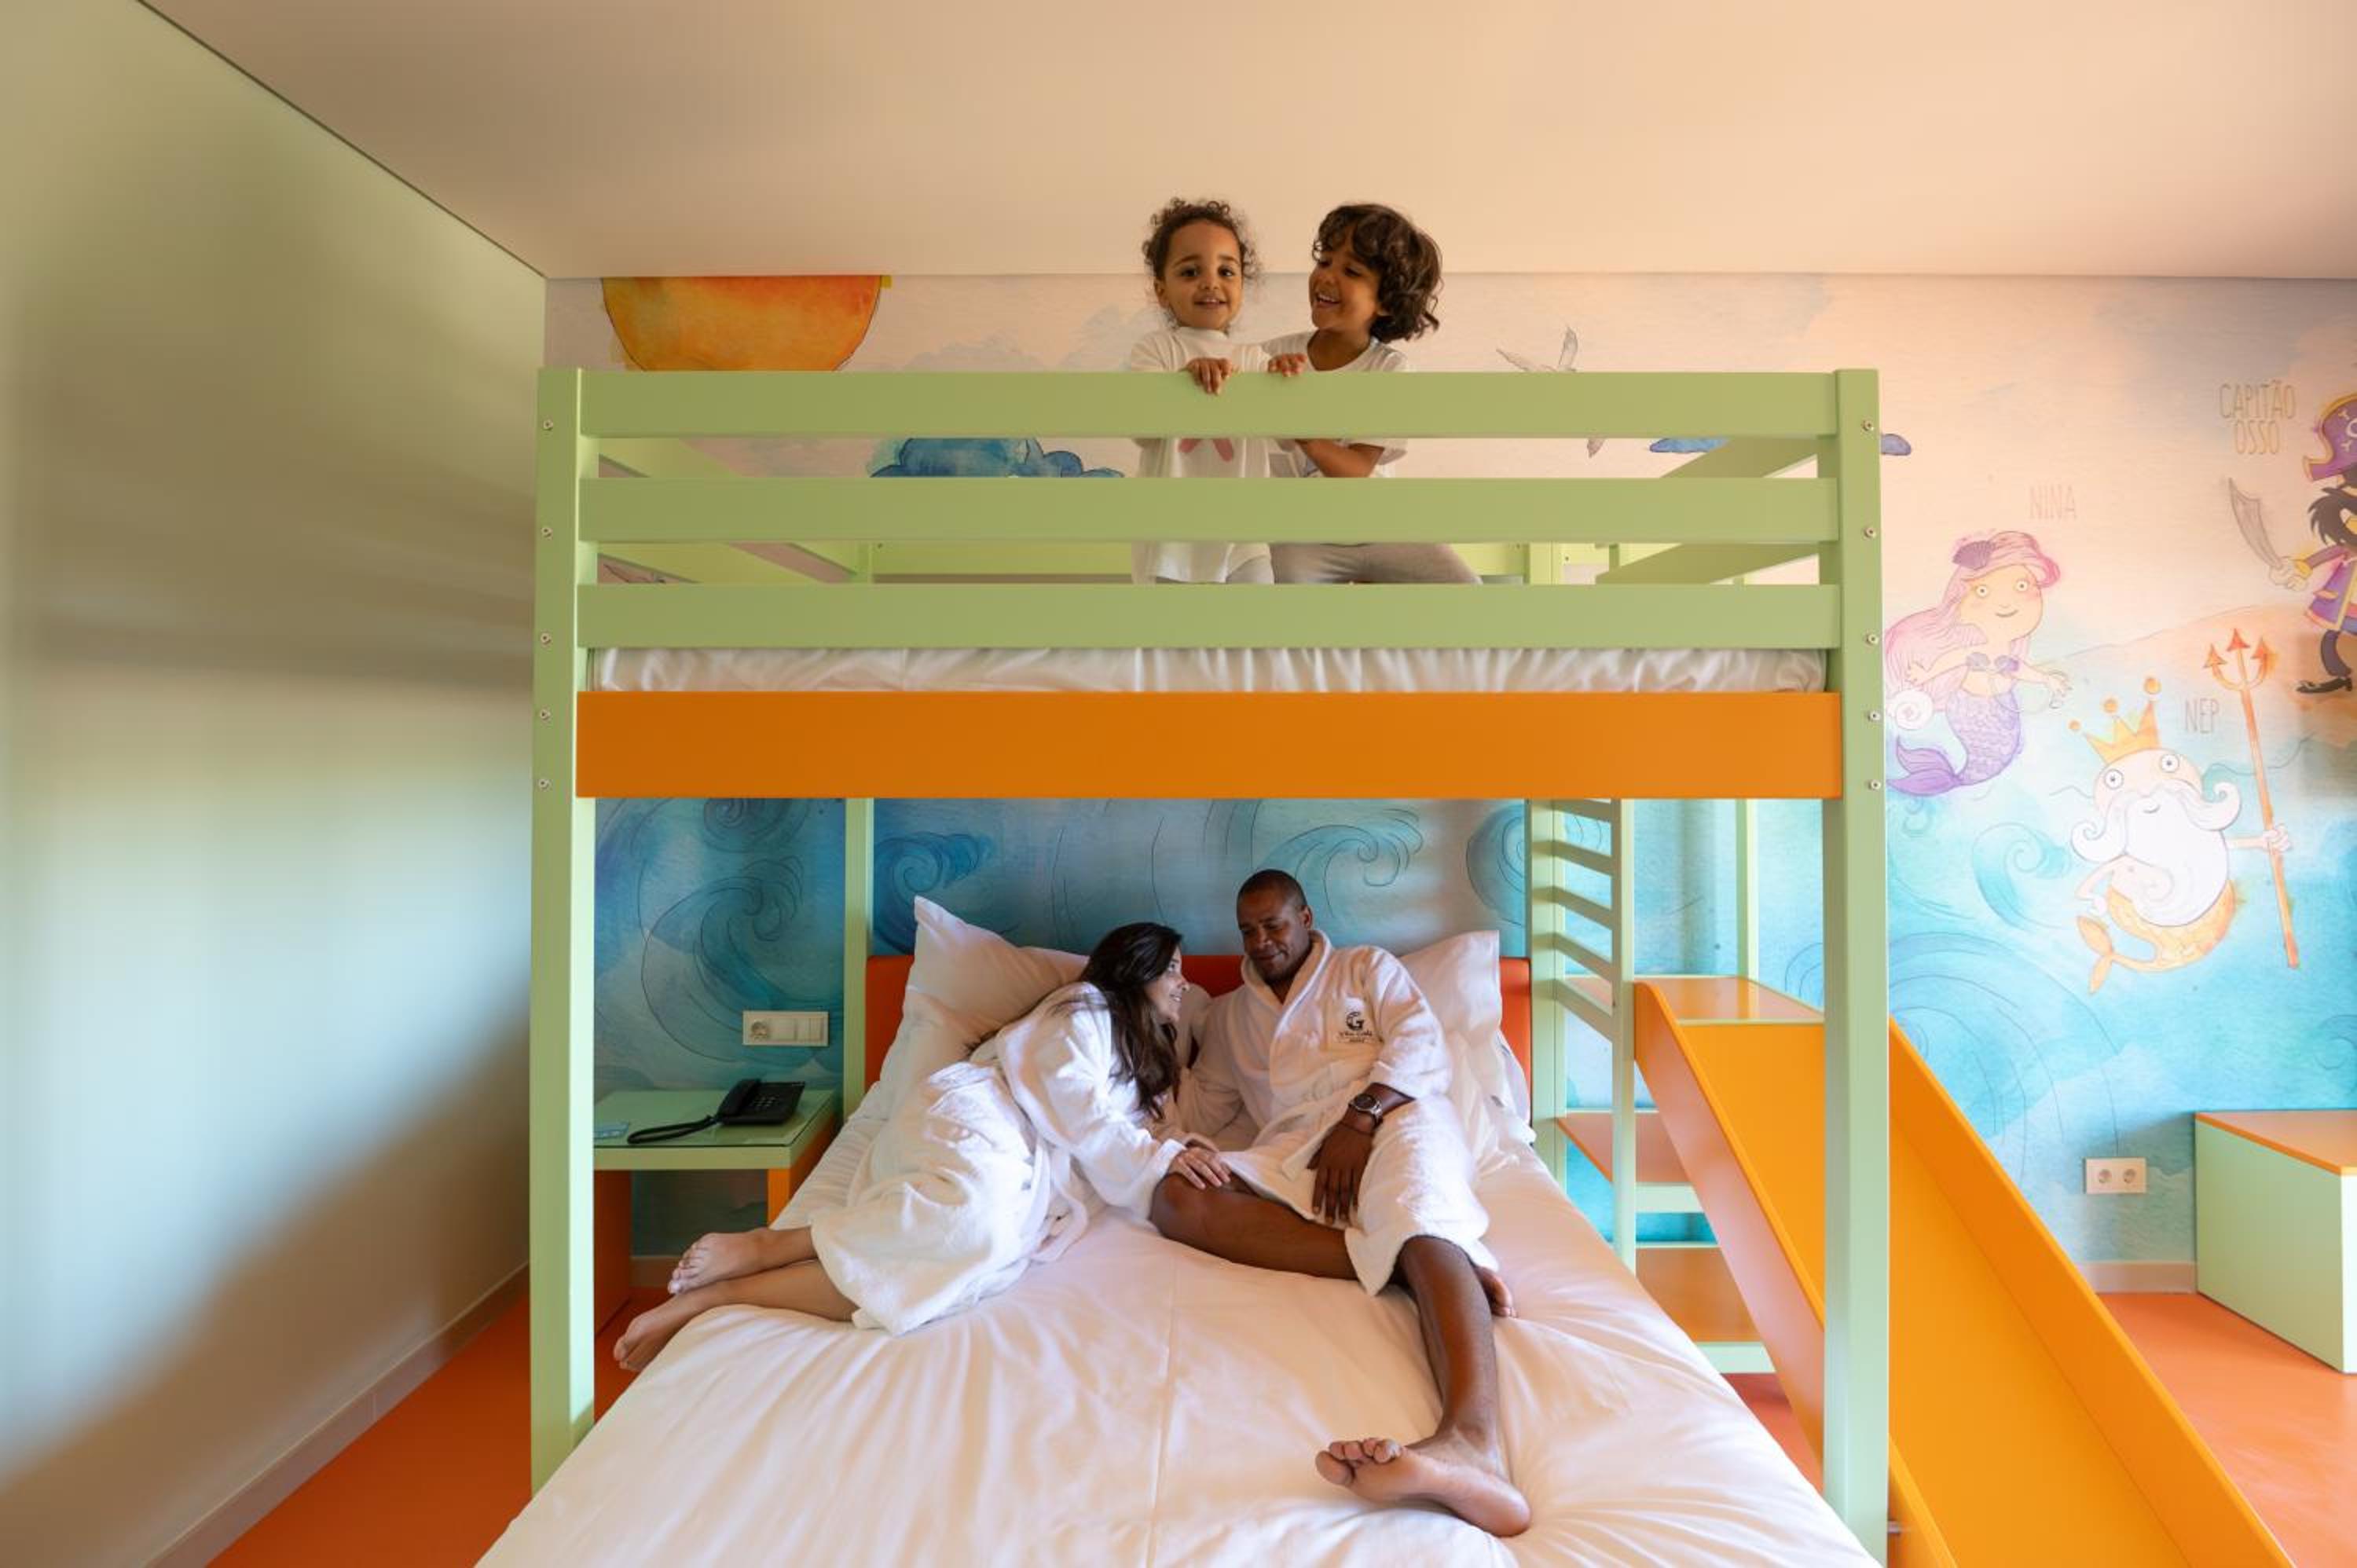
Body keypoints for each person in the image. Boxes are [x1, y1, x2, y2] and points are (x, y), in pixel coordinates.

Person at [614, 922, 1229, 1367]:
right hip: (978, 1117)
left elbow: (1157, 1128)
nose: (1185, 981)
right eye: (1172, 968)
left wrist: (1181, 1140)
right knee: (970, 1225)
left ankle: (723, 1297)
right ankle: (769, 1246)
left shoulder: (1148, 1063)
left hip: (1024, 1161)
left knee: (980, 1255)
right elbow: (1076, 1102)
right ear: (1135, 970)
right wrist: (1160, 1156)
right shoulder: (1083, 1010)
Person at [1154, 870, 1530, 1537]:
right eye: (1248, 931)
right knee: (1176, 1196)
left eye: (1274, 925)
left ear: (1305, 918)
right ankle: (1417, 1267)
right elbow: (1205, 1108)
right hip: (1300, 1148)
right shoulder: (1235, 1017)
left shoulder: (1365, 969)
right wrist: (1149, 1061)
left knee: (1417, 1212)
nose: (1262, 942)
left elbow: (1420, 1043)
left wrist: (1362, 1118)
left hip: (1397, 1117)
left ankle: (1473, 1443)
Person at [1260, 203, 1478, 585]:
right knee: (1278, 594)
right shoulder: (1274, 356)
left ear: (1386, 302)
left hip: (1380, 528)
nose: (1327, 276)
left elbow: (1357, 469)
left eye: (1351, 271)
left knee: (1465, 588)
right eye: (1324, 261)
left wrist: (1305, 434)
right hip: (1302, 535)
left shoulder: (1388, 370)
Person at [1127, 197, 1275, 586]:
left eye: (1226, 271)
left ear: (1242, 285)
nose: (1211, 282)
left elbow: (1288, 430)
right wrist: (1183, 381)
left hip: (1243, 536)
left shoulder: (1254, 359)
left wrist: (1287, 376)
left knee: (1259, 618)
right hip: (1173, 535)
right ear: (1162, 291)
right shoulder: (1156, 350)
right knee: (1173, 622)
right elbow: (1141, 426)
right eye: (1191, 271)